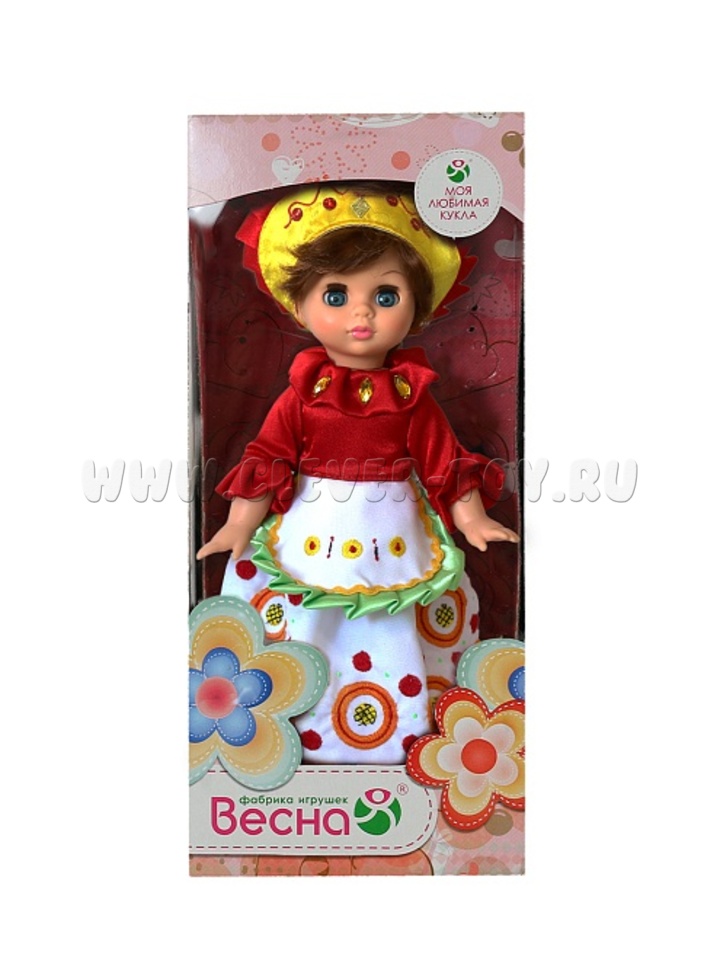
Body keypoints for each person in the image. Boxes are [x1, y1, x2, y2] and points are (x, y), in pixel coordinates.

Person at [197, 184, 519, 763]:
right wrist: (238, 524)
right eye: (337, 294)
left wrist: (472, 518)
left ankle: (401, 725)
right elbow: (268, 457)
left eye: (385, 295)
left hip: (392, 529)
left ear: (416, 308)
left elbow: (442, 460)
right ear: (299, 306)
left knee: (392, 617)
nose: (362, 312)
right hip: (311, 528)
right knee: (308, 613)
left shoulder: (411, 396)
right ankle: (299, 716)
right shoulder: (304, 395)